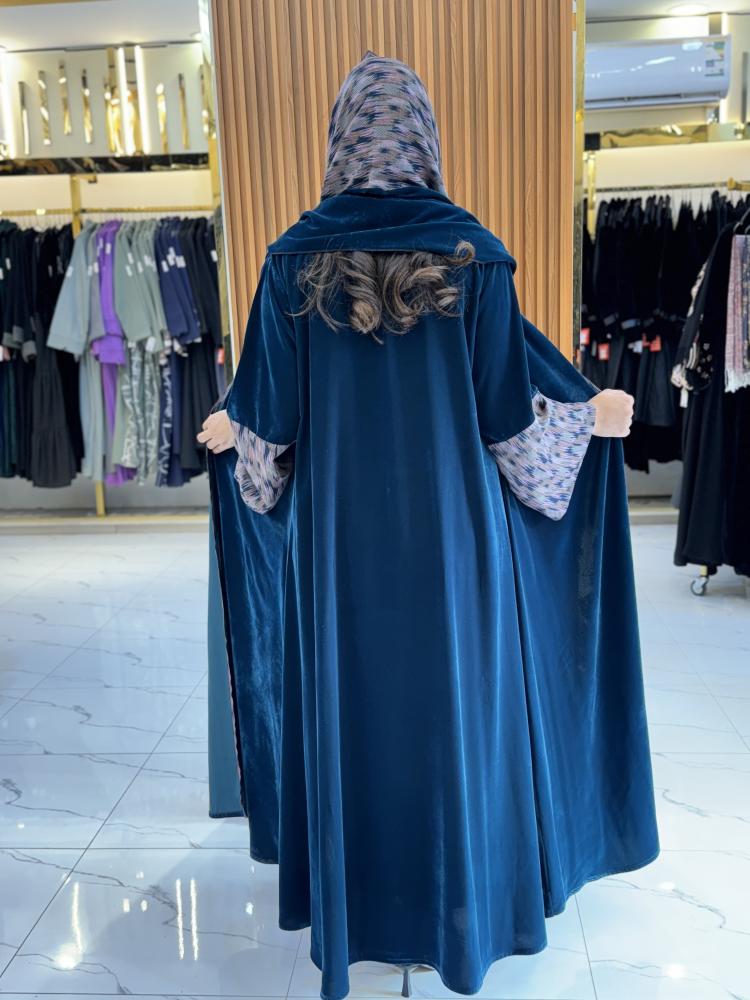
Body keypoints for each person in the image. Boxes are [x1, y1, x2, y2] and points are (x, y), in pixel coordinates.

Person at [200, 51, 659, 1000]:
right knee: (454, 721)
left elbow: (271, 439)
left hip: (338, 558)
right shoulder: (473, 255)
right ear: (425, 138)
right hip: (457, 553)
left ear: (340, 139)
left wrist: (234, 433)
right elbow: (510, 428)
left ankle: (362, 911)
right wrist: (585, 422)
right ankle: (457, 914)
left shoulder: (290, 262)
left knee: (355, 723)